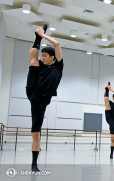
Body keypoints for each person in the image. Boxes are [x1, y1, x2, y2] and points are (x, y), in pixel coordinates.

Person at [27, 24, 63, 171]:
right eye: (42, 55)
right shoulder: (41, 64)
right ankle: (36, 38)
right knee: (33, 62)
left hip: (42, 101)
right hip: (33, 91)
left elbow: (57, 44)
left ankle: (34, 163)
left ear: (52, 57)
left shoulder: (58, 66)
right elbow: (34, 57)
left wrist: (44, 35)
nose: (43, 57)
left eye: (45, 56)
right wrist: (39, 38)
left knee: (35, 132)